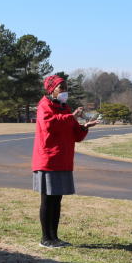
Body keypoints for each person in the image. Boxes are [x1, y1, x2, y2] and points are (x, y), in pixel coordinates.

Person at [31, 75, 98, 248]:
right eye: (62, 88)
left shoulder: (65, 107)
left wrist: (85, 127)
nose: (65, 91)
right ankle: (45, 238)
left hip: (63, 160)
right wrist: (71, 117)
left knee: (57, 199)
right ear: (51, 89)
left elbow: (76, 135)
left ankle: (55, 237)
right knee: (48, 199)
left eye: (66, 88)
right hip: (48, 159)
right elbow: (49, 125)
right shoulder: (44, 105)